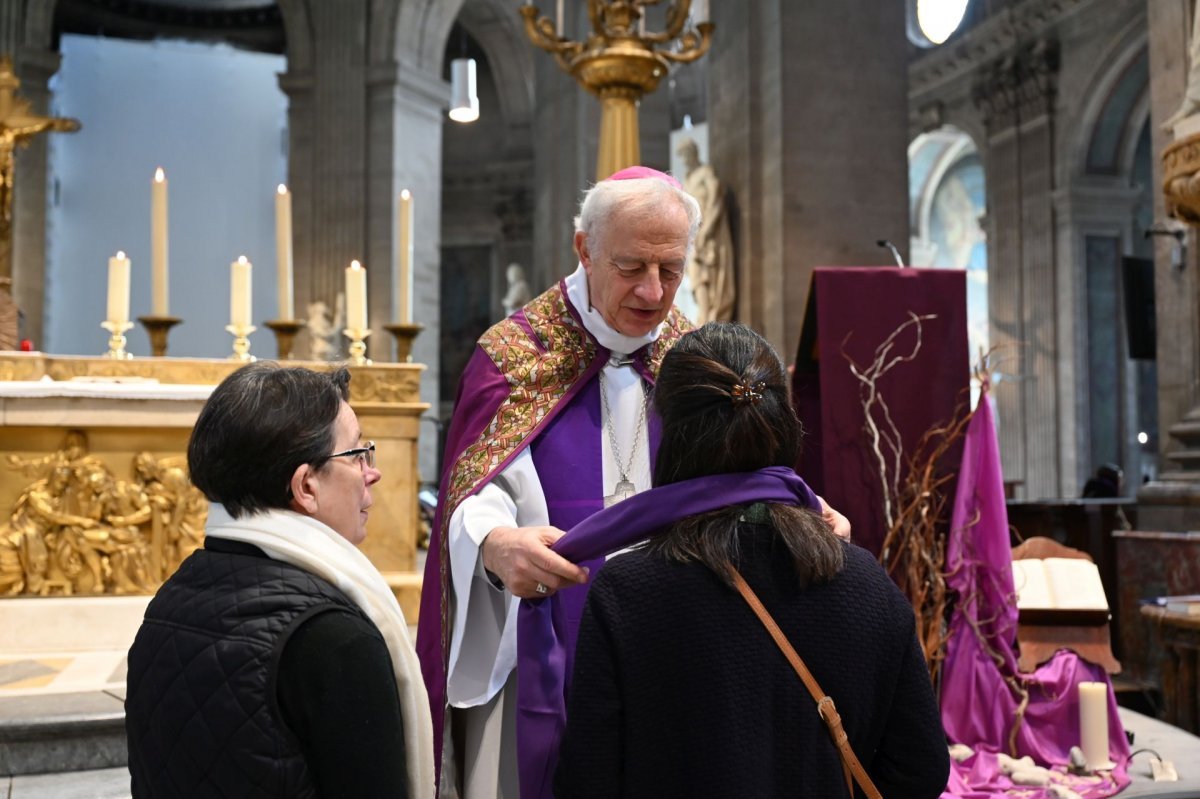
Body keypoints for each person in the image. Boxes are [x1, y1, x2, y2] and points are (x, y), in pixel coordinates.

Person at [415, 166, 849, 798]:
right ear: (584, 249)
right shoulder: (515, 356)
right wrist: (491, 545)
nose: (653, 292)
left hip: (676, 636)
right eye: (631, 267)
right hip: (545, 636)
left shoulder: (692, 356)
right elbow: (478, 491)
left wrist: (804, 506)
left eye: (670, 269)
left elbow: (744, 465)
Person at [553, 322, 950, 798]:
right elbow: (921, 768)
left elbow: (588, 780)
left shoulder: (627, 591)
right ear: (782, 421)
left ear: (669, 434)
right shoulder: (867, 583)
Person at [125, 363, 434, 798]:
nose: (373, 472)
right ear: (306, 486)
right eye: (356, 454)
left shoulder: (172, 599)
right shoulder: (333, 639)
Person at [676, 137, 735, 324]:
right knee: (695, 274)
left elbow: (715, 201)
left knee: (705, 273)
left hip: (708, 234)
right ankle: (704, 314)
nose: (685, 160)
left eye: (686, 155)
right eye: (682, 156)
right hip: (692, 234)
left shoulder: (705, 173)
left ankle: (709, 315)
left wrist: (707, 229)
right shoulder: (688, 178)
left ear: (694, 153)